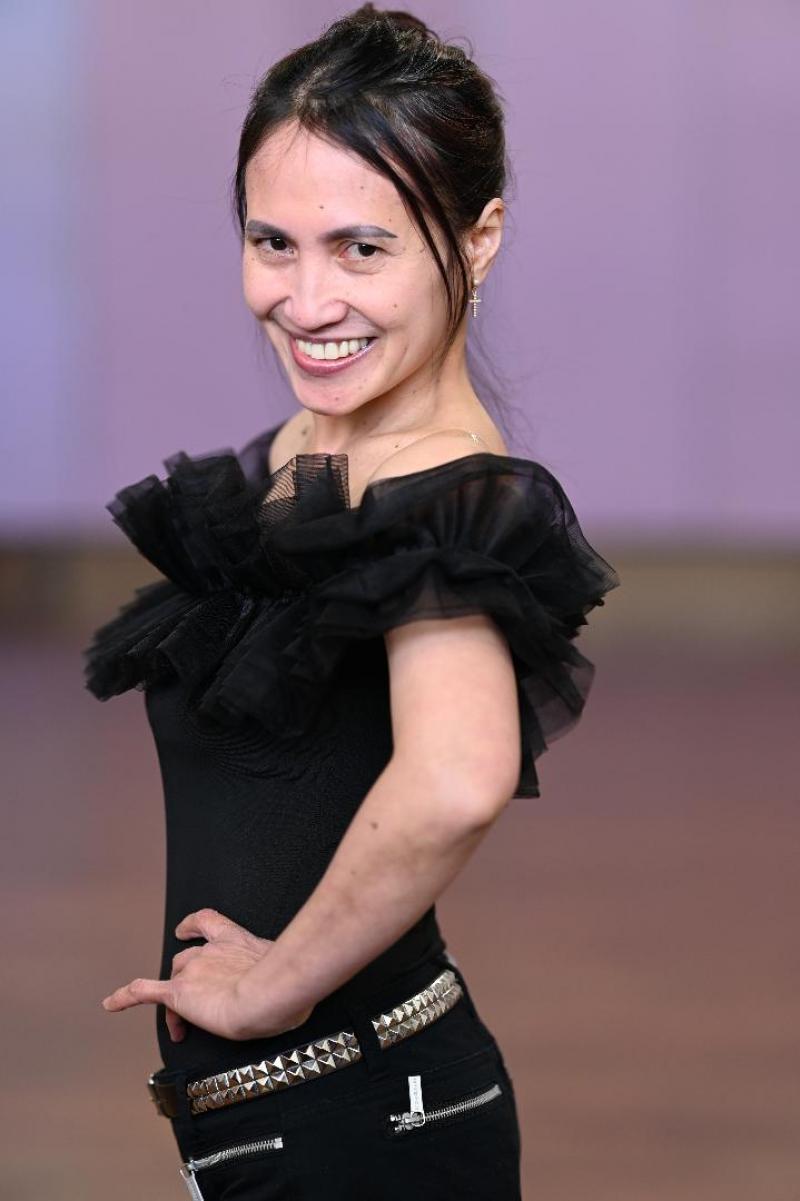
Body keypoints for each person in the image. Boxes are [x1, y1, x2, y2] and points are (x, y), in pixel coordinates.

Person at [83, 6, 620, 1198]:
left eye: (361, 249)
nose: (307, 298)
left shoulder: (445, 493)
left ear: (477, 239)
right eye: (273, 242)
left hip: (370, 1123)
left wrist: (274, 988)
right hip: (300, 1119)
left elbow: (457, 776)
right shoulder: (312, 454)